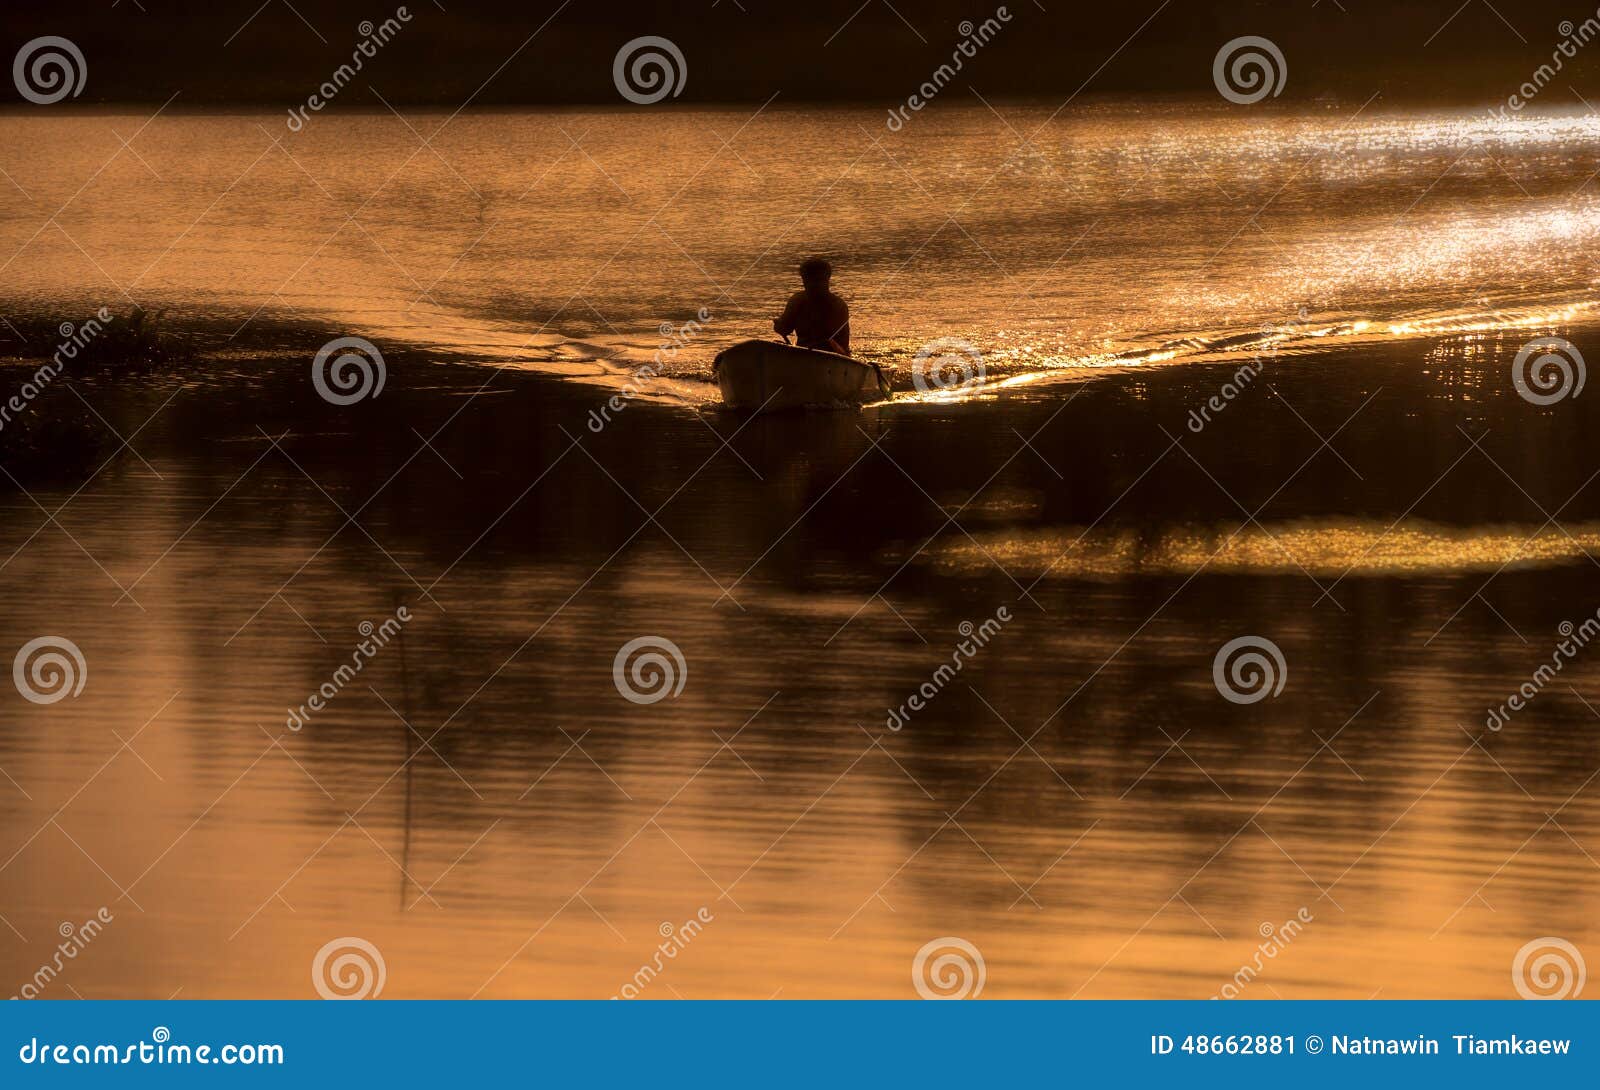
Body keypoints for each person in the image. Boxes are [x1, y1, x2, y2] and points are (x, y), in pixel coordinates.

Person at [774, 257, 850, 355]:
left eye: (817, 280)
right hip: (805, 353)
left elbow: (843, 343)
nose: (813, 284)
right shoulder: (797, 301)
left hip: (833, 355)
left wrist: (780, 326)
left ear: (827, 279)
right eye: (809, 280)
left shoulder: (838, 305)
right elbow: (785, 328)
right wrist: (779, 326)